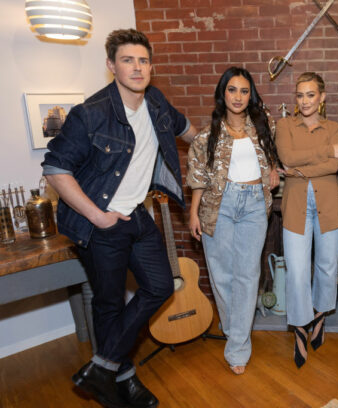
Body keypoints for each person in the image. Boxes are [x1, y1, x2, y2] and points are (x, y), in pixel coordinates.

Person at [42, 29, 198, 408]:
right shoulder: (90, 113)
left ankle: (101, 367)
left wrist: (225, 146)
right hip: (102, 221)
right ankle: (121, 380)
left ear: (151, 66)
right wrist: (97, 216)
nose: (137, 67)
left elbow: (191, 132)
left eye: (143, 60)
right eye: (128, 60)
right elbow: (55, 169)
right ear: (112, 65)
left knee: (160, 286)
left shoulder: (156, 102)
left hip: (139, 216)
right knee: (109, 303)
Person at [187, 67, 280, 375]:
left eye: (244, 91)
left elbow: (276, 159)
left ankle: (238, 346)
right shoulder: (206, 137)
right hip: (219, 205)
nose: (238, 96)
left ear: (250, 95)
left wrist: (273, 172)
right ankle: (234, 327)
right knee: (221, 275)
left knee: (247, 275)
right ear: (222, 94)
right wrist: (193, 215)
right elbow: (198, 179)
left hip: (254, 205)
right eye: (232, 90)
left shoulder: (264, 127)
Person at [275, 72, 338, 368]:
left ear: (322, 97)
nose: (305, 101)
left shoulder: (335, 127)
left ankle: (319, 315)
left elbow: (331, 167)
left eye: (311, 95)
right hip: (295, 206)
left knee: (328, 266)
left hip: (329, 204)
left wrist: (298, 168)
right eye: (300, 95)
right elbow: (286, 157)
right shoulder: (284, 125)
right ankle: (300, 327)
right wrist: (325, 152)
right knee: (298, 269)